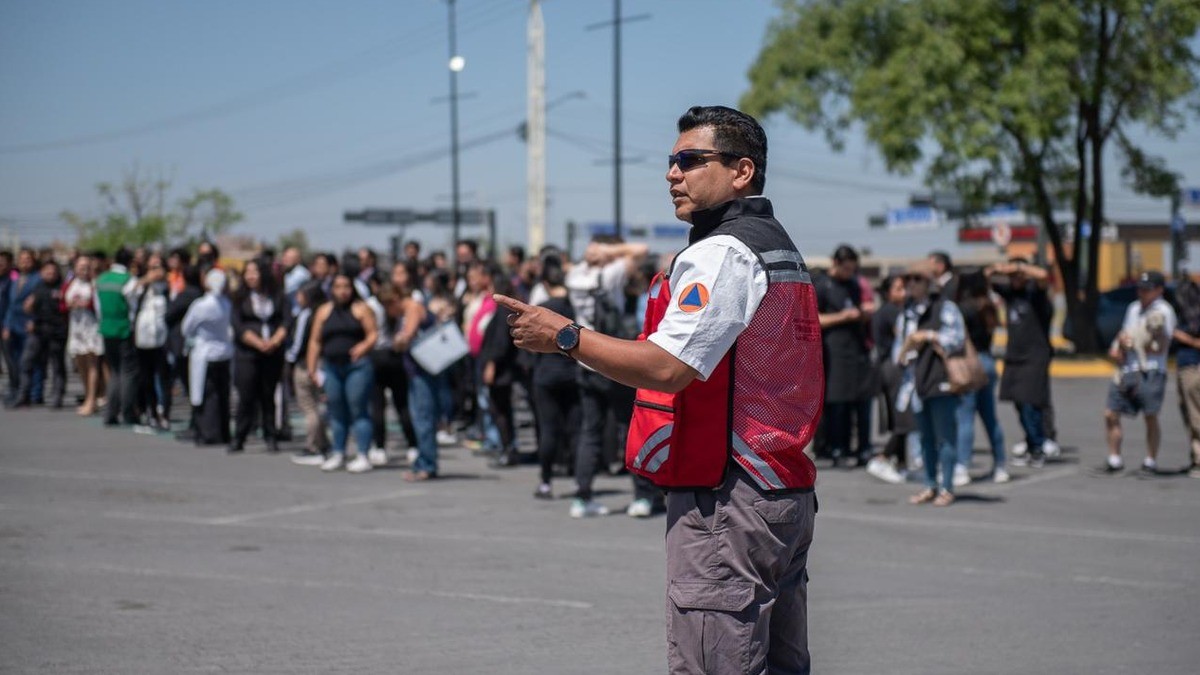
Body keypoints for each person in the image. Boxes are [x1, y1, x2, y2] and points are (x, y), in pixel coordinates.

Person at [498, 105, 821, 673]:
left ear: (742, 171)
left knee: (713, 662)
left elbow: (669, 366)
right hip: (779, 486)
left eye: (691, 160)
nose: (673, 173)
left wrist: (566, 336)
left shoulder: (722, 251)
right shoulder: (778, 245)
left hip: (730, 495)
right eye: (672, 162)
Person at [564, 237, 648, 518]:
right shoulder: (611, 275)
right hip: (613, 360)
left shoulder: (575, 277)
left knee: (591, 430)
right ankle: (643, 496)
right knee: (630, 427)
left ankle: (582, 495)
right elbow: (641, 250)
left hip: (585, 361)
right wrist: (612, 252)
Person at [896, 264, 967, 506]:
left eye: (917, 279)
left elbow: (957, 339)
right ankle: (929, 484)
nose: (912, 284)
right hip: (916, 381)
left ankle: (947, 486)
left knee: (945, 436)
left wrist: (927, 336)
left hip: (940, 378)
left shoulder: (945, 307)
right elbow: (900, 346)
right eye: (909, 280)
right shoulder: (907, 311)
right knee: (925, 437)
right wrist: (904, 351)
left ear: (929, 284)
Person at [1102, 270, 1177, 474]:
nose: (1142, 292)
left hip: (1151, 370)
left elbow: (1160, 346)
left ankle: (1150, 460)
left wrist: (1134, 343)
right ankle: (1114, 458)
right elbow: (1125, 333)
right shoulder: (1133, 308)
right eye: (1140, 288)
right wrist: (1119, 347)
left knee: (1150, 416)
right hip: (1127, 369)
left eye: (1147, 289)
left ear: (1159, 290)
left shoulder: (1164, 311)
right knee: (1110, 413)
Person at [307, 272, 378, 473]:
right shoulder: (324, 311)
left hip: (357, 366)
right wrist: (312, 367)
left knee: (358, 408)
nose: (342, 291)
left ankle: (362, 453)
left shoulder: (361, 309)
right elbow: (315, 340)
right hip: (332, 366)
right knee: (336, 410)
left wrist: (363, 347)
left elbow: (373, 333)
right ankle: (338, 452)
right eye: (337, 287)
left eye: (346, 286)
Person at [988, 258, 1055, 468]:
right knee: (1018, 402)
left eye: (1018, 276)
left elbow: (1044, 276)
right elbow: (987, 276)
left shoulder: (1036, 294)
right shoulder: (1011, 294)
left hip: (1035, 356)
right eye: (1012, 277)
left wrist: (1019, 267)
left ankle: (1038, 447)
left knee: (1030, 402)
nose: (1015, 279)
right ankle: (1030, 441)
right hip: (1014, 355)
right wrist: (1000, 268)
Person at [815, 244, 875, 466]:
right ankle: (833, 447)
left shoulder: (853, 285)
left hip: (855, 349)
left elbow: (858, 308)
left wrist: (862, 314)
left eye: (853, 269)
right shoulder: (822, 285)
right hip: (833, 350)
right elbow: (815, 319)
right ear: (836, 264)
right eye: (846, 269)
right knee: (836, 403)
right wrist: (843, 316)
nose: (849, 274)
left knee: (854, 401)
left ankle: (855, 448)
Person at [528, 257, 580, 498]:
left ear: (545, 283)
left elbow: (529, 344)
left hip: (546, 374)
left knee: (548, 428)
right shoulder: (575, 306)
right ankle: (580, 481)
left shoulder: (543, 310)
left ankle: (546, 482)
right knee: (576, 429)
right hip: (572, 372)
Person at [229, 258, 288, 453]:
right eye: (247, 273)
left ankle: (271, 435)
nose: (251, 276)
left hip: (272, 353)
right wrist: (257, 343)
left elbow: (286, 321)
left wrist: (274, 341)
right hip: (247, 352)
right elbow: (237, 326)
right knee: (246, 396)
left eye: (254, 272)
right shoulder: (239, 298)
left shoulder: (278, 296)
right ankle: (240, 436)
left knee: (268, 395)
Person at [954, 271, 1008, 484]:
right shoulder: (988, 307)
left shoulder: (963, 309)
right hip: (988, 361)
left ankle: (962, 467)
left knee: (965, 417)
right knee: (990, 417)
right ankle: (1001, 465)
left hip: (970, 363)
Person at [865, 273, 911, 484]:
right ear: (888, 292)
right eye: (899, 289)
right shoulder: (892, 311)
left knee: (899, 416)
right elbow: (906, 337)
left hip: (887, 367)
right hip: (892, 368)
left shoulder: (886, 310)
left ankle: (901, 463)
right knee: (904, 417)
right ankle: (882, 458)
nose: (905, 293)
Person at [181, 269, 234, 446]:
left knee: (206, 395)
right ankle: (223, 432)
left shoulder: (201, 305)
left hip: (205, 352)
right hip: (224, 353)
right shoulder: (226, 303)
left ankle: (207, 432)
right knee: (222, 395)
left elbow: (186, 327)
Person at [287, 281, 331, 465]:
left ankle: (313, 446)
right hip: (324, 363)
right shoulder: (326, 312)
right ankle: (323, 443)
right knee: (318, 406)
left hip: (306, 363)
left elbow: (298, 343)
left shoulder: (306, 315)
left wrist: (290, 359)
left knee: (309, 407)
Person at [95, 248, 141, 426]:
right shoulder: (129, 280)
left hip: (106, 329)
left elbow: (99, 308)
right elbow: (133, 308)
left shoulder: (102, 279)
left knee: (114, 372)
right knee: (127, 372)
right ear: (130, 262)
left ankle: (110, 414)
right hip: (123, 330)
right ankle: (128, 412)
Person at [19, 260, 68, 408]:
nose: (50, 275)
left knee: (57, 365)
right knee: (27, 361)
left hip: (56, 331)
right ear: (41, 272)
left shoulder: (62, 288)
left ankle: (57, 395)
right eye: (47, 271)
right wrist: (29, 313)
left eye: (53, 272)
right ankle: (24, 394)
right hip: (39, 330)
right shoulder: (37, 287)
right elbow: (28, 308)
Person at [132, 253, 171, 431]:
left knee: (164, 377)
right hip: (144, 337)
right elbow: (128, 293)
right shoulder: (141, 286)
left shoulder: (169, 286)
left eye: (158, 267)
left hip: (163, 338)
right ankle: (151, 411)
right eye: (152, 267)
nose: (156, 271)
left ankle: (165, 413)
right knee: (146, 377)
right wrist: (145, 280)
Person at [64, 255, 105, 415]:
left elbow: (99, 305)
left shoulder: (95, 284)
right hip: (76, 327)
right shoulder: (71, 284)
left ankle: (91, 399)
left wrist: (86, 304)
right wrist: (69, 304)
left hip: (91, 327)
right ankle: (89, 394)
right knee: (80, 364)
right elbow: (62, 303)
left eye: (87, 267)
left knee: (92, 364)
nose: (84, 270)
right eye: (81, 267)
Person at [165, 265, 203, 436]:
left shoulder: (187, 294)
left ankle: (197, 423)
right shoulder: (200, 294)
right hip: (190, 346)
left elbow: (169, 314)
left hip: (184, 346)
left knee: (192, 386)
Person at [3, 249, 42, 406]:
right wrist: (6, 325)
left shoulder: (38, 279)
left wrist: (35, 321)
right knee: (18, 360)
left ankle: (35, 393)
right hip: (14, 325)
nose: (25, 262)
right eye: (22, 259)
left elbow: (41, 304)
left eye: (28, 259)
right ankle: (22, 390)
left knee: (31, 361)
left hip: (30, 325)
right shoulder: (15, 280)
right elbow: (11, 306)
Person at [1173, 273, 1200, 477]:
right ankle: (1195, 457)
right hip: (1184, 362)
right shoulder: (1187, 314)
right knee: (1187, 411)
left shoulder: (1193, 318)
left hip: (1193, 364)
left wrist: (1186, 339)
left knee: (1195, 414)